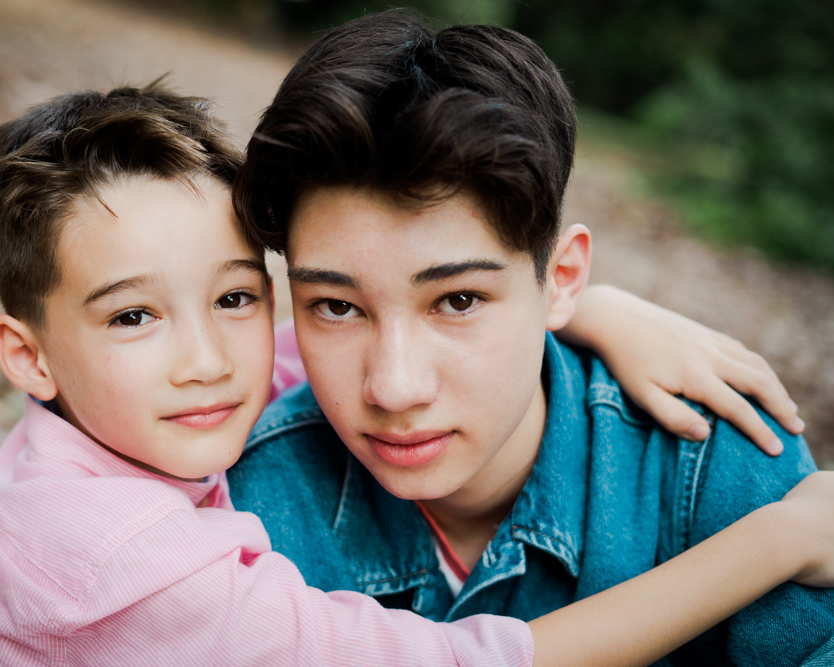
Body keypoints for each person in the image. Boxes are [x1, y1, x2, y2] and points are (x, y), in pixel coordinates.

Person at [0, 80, 834, 667]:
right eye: (133, 315)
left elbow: (330, 315)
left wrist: (592, 308)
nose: (392, 385)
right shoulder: (128, 562)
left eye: (235, 299)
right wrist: (775, 540)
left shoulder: (193, 380)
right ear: (29, 355)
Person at [228, 9, 834, 665]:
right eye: (338, 307)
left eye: (458, 300)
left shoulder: (721, 465)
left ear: (562, 278)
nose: (395, 386)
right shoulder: (247, 507)